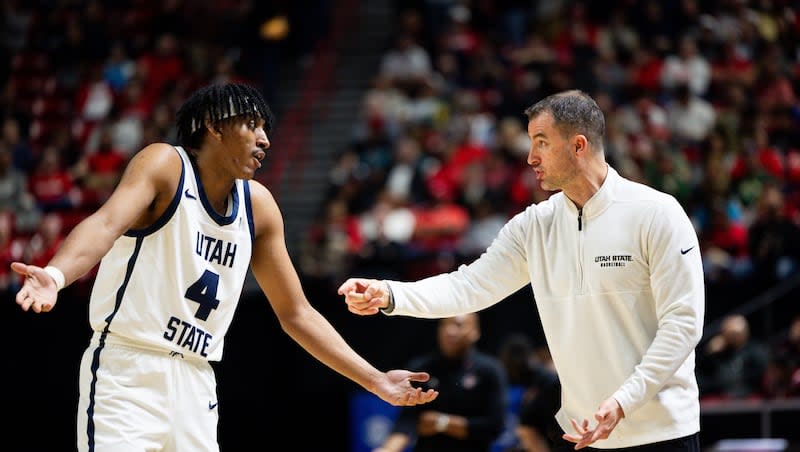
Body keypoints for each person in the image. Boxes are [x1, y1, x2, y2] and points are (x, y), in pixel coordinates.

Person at [11, 82, 438, 452]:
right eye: (252, 125)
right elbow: (105, 223)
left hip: (196, 381)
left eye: (266, 129)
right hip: (128, 368)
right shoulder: (165, 165)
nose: (264, 139)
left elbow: (296, 313)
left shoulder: (259, 207)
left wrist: (374, 379)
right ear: (215, 125)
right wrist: (57, 274)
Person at [339, 90, 705, 451]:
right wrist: (390, 294)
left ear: (579, 145)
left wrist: (624, 400)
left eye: (541, 142)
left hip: (663, 434)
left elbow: (683, 323)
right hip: (583, 436)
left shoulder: (656, 213)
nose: (530, 157)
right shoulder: (534, 226)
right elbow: (468, 286)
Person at [374, 313, 508, 452]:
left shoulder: (490, 370)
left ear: (475, 332)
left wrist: (442, 422)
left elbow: (495, 426)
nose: (449, 331)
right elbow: (408, 420)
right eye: (445, 324)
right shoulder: (421, 370)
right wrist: (387, 449)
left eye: (458, 325)